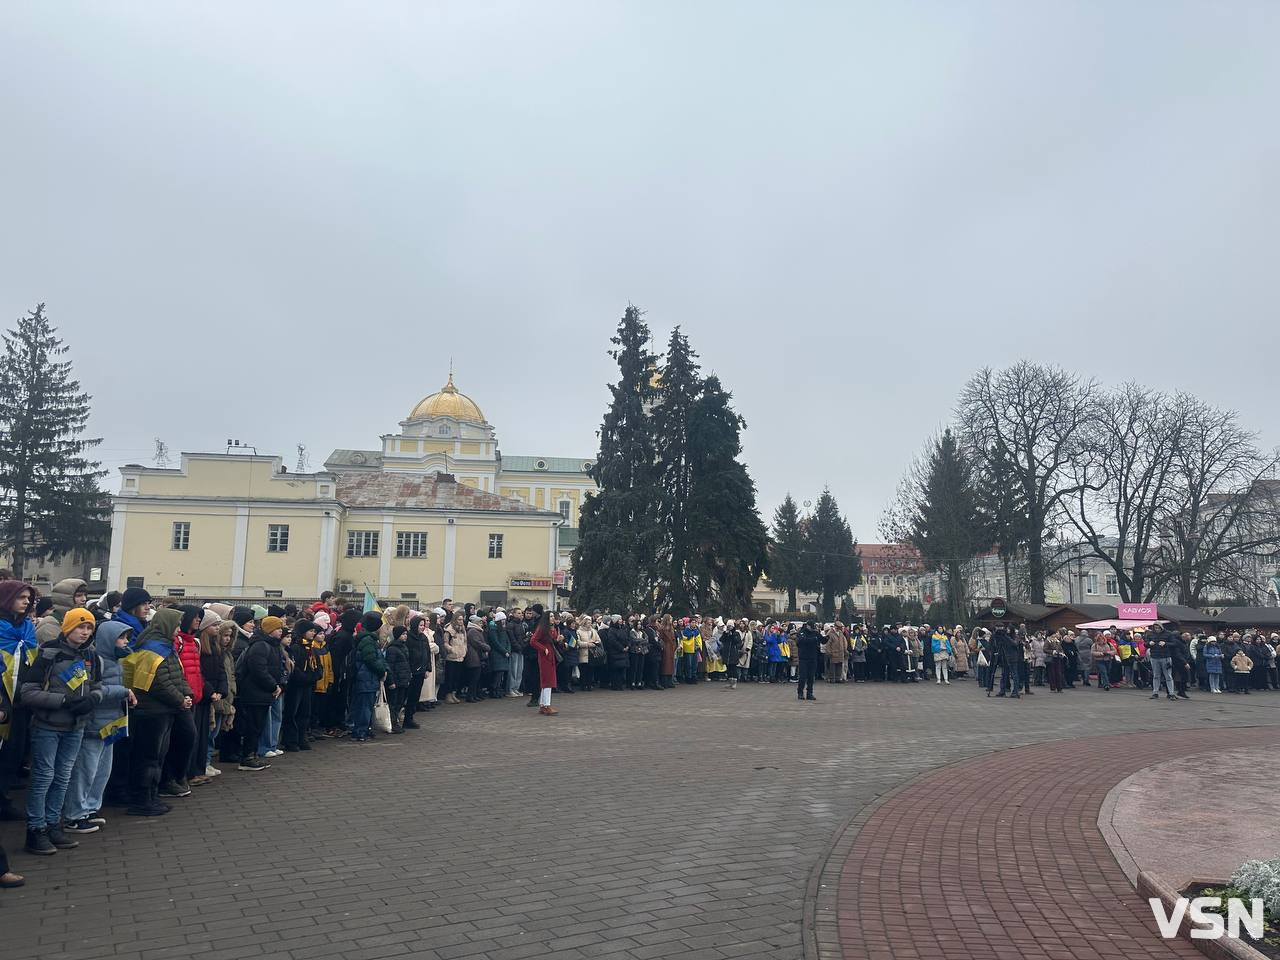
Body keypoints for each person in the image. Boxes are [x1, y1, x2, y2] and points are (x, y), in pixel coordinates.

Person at [18, 606, 104, 854]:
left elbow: (98, 685)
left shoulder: (92, 655)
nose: (85, 632)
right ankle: (36, 829)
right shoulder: (48, 654)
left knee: (63, 776)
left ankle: (54, 824)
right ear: (68, 627)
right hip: (48, 726)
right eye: (80, 626)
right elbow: (28, 692)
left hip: (75, 726)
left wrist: (93, 699)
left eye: (89, 627)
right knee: (44, 777)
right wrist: (63, 702)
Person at [62, 619, 135, 832]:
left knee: (102, 771)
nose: (125, 641)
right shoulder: (94, 660)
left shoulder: (116, 661)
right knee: (85, 771)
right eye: (121, 637)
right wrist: (122, 692)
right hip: (93, 724)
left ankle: (90, 808)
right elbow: (90, 690)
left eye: (127, 637)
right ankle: (74, 814)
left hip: (111, 723)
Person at [124, 607, 193, 816]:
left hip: (165, 710)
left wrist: (186, 693)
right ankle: (141, 799)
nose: (179, 629)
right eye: (177, 625)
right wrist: (180, 700)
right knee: (148, 757)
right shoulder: (152, 648)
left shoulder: (166, 646)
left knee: (158, 756)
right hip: (151, 711)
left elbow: (177, 675)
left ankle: (152, 796)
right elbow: (156, 682)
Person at [0, 581, 39, 822]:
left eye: (28, 598)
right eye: (21, 597)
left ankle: (3, 800)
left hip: (22, 702)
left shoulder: (27, 628)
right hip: (2, 702)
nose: (26, 602)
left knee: (13, 755)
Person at [232, 614, 285, 770]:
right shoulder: (261, 645)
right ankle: (247, 757)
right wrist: (273, 686)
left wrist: (279, 684)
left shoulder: (271, 644)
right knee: (253, 726)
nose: (281, 631)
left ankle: (252, 754)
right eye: (278, 628)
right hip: (254, 692)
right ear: (269, 630)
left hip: (262, 693)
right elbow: (258, 670)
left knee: (258, 725)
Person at [282, 620, 322, 749]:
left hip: (308, 685)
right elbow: (295, 668)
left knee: (305, 712)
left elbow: (318, 666)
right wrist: (305, 678)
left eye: (314, 631)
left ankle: (302, 737)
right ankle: (291, 740)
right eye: (310, 631)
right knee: (293, 712)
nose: (313, 633)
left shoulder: (312, 647)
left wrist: (315, 676)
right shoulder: (295, 647)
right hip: (296, 685)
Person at [351, 613, 388, 741]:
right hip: (366, 677)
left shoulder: (369, 639)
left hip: (368, 677)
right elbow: (371, 659)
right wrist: (382, 670)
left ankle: (364, 729)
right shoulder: (367, 640)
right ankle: (360, 731)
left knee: (366, 705)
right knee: (364, 706)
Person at [403, 615, 433, 728]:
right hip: (411, 671)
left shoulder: (424, 638)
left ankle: (409, 718)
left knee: (415, 696)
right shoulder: (409, 638)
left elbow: (427, 653)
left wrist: (427, 668)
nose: (422, 627)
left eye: (423, 625)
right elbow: (406, 655)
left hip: (421, 671)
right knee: (407, 696)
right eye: (420, 625)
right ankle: (401, 718)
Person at [528, 609, 559, 715]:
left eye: (553, 616)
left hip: (550, 656)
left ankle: (543, 704)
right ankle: (546, 705)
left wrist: (558, 639)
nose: (553, 618)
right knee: (548, 681)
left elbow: (552, 640)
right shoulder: (542, 628)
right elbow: (533, 641)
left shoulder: (552, 628)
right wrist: (543, 649)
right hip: (545, 656)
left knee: (548, 680)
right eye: (550, 616)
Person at [383, 625, 411, 733]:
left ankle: (395, 722)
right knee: (393, 703)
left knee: (400, 702)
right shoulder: (392, 649)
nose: (405, 636)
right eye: (403, 634)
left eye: (406, 634)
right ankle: (392, 723)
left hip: (403, 679)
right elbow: (390, 666)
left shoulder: (403, 647)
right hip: (396, 680)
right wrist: (391, 681)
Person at [1145, 623, 1178, 702]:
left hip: (1166, 657)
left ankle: (1171, 693)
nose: (1157, 629)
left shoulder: (1168, 634)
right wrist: (1149, 644)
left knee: (1168, 676)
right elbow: (1145, 644)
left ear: (1161, 627)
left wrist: (1166, 643)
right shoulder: (1150, 634)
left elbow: (1174, 643)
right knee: (1156, 675)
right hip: (1154, 657)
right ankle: (1155, 692)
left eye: (1158, 627)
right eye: (1155, 628)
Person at [794, 620, 822, 701]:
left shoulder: (815, 633)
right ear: (808, 626)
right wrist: (814, 639)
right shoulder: (802, 632)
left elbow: (823, 640)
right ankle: (800, 692)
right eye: (811, 627)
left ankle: (810, 693)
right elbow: (801, 641)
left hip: (813, 658)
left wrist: (827, 637)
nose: (812, 629)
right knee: (802, 677)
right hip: (803, 658)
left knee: (811, 677)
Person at [720, 620, 744, 690]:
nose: (729, 627)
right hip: (726, 653)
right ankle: (730, 682)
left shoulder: (736, 633)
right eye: (728, 626)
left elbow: (738, 641)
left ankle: (734, 682)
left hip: (733, 653)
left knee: (733, 668)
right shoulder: (726, 633)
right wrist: (725, 633)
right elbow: (721, 639)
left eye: (730, 626)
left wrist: (732, 635)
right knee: (728, 668)